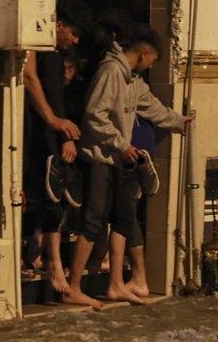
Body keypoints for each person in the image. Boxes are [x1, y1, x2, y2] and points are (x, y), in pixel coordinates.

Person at [64, 26, 192, 308]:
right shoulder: (111, 72)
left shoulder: (133, 79)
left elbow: (150, 106)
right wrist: (121, 144)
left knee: (123, 216)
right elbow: (94, 115)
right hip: (101, 156)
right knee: (94, 218)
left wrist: (179, 121)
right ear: (144, 54)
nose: (150, 66)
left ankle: (116, 284)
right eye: (152, 60)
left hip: (118, 159)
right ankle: (73, 286)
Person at [22, 0, 93, 294]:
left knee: (53, 193)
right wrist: (53, 121)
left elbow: (54, 92)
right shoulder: (37, 40)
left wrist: (64, 132)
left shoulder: (55, 51)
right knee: (45, 193)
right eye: (73, 33)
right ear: (59, 24)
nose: (74, 40)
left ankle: (41, 254)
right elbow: (30, 77)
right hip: (36, 126)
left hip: (51, 126)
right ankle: (50, 262)